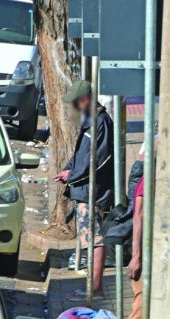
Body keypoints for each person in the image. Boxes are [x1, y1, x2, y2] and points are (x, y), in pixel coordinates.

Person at [52, 80, 114, 300]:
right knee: (89, 238)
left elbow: (100, 159)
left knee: (94, 238)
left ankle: (95, 288)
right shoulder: (91, 122)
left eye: (76, 102)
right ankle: (92, 286)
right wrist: (69, 170)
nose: (74, 107)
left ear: (85, 100)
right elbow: (81, 156)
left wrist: (74, 175)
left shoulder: (101, 122)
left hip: (93, 191)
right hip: (84, 189)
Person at [124, 146, 148, 319]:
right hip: (147, 257)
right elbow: (138, 217)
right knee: (139, 311)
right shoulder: (147, 180)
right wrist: (137, 255)